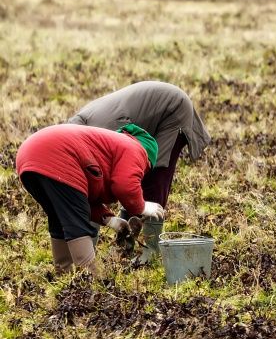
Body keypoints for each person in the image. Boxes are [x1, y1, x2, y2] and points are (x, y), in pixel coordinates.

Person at [16, 123, 165, 277]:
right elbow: (124, 185)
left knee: (59, 217)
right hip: (57, 154)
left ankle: (63, 275)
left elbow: (81, 200)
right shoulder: (136, 149)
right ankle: (92, 281)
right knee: (77, 224)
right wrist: (141, 207)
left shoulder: (112, 147)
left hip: (28, 156)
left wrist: (110, 220)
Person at [69, 81, 211, 208]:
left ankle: (150, 232)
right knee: (135, 174)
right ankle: (132, 225)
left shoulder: (103, 130)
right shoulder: (81, 125)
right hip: (151, 109)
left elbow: (116, 171)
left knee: (155, 173)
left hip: (173, 109)